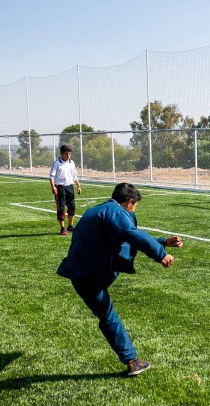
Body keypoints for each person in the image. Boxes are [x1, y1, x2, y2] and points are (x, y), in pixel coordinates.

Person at [57, 182, 183, 376]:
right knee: (108, 315)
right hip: (92, 274)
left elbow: (124, 238)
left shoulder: (98, 210)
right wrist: (160, 254)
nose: (134, 211)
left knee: (106, 315)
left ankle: (131, 360)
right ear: (129, 202)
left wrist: (163, 242)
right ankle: (131, 360)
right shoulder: (115, 211)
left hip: (77, 273)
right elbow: (130, 234)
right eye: (135, 206)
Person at [49, 144, 82, 235]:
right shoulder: (57, 163)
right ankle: (62, 228)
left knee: (72, 207)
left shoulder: (72, 163)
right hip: (60, 188)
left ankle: (70, 226)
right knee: (61, 208)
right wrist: (53, 187)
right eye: (66, 154)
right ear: (62, 154)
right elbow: (51, 176)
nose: (68, 156)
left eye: (69, 154)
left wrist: (78, 186)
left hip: (69, 187)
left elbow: (74, 176)